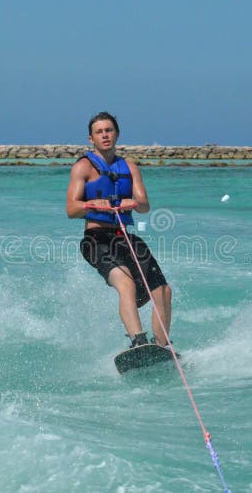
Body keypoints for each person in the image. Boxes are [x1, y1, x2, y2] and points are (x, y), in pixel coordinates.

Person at [66, 112, 173, 348]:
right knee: (127, 285)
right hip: (96, 240)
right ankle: (138, 342)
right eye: (99, 132)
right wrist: (92, 204)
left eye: (109, 130)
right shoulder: (83, 167)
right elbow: (71, 209)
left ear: (117, 134)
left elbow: (144, 206)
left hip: (124, 237)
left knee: (163, 290)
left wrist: (132, 203)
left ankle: (163, 346)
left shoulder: (130, 167)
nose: (105, 135)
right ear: (91, 138)